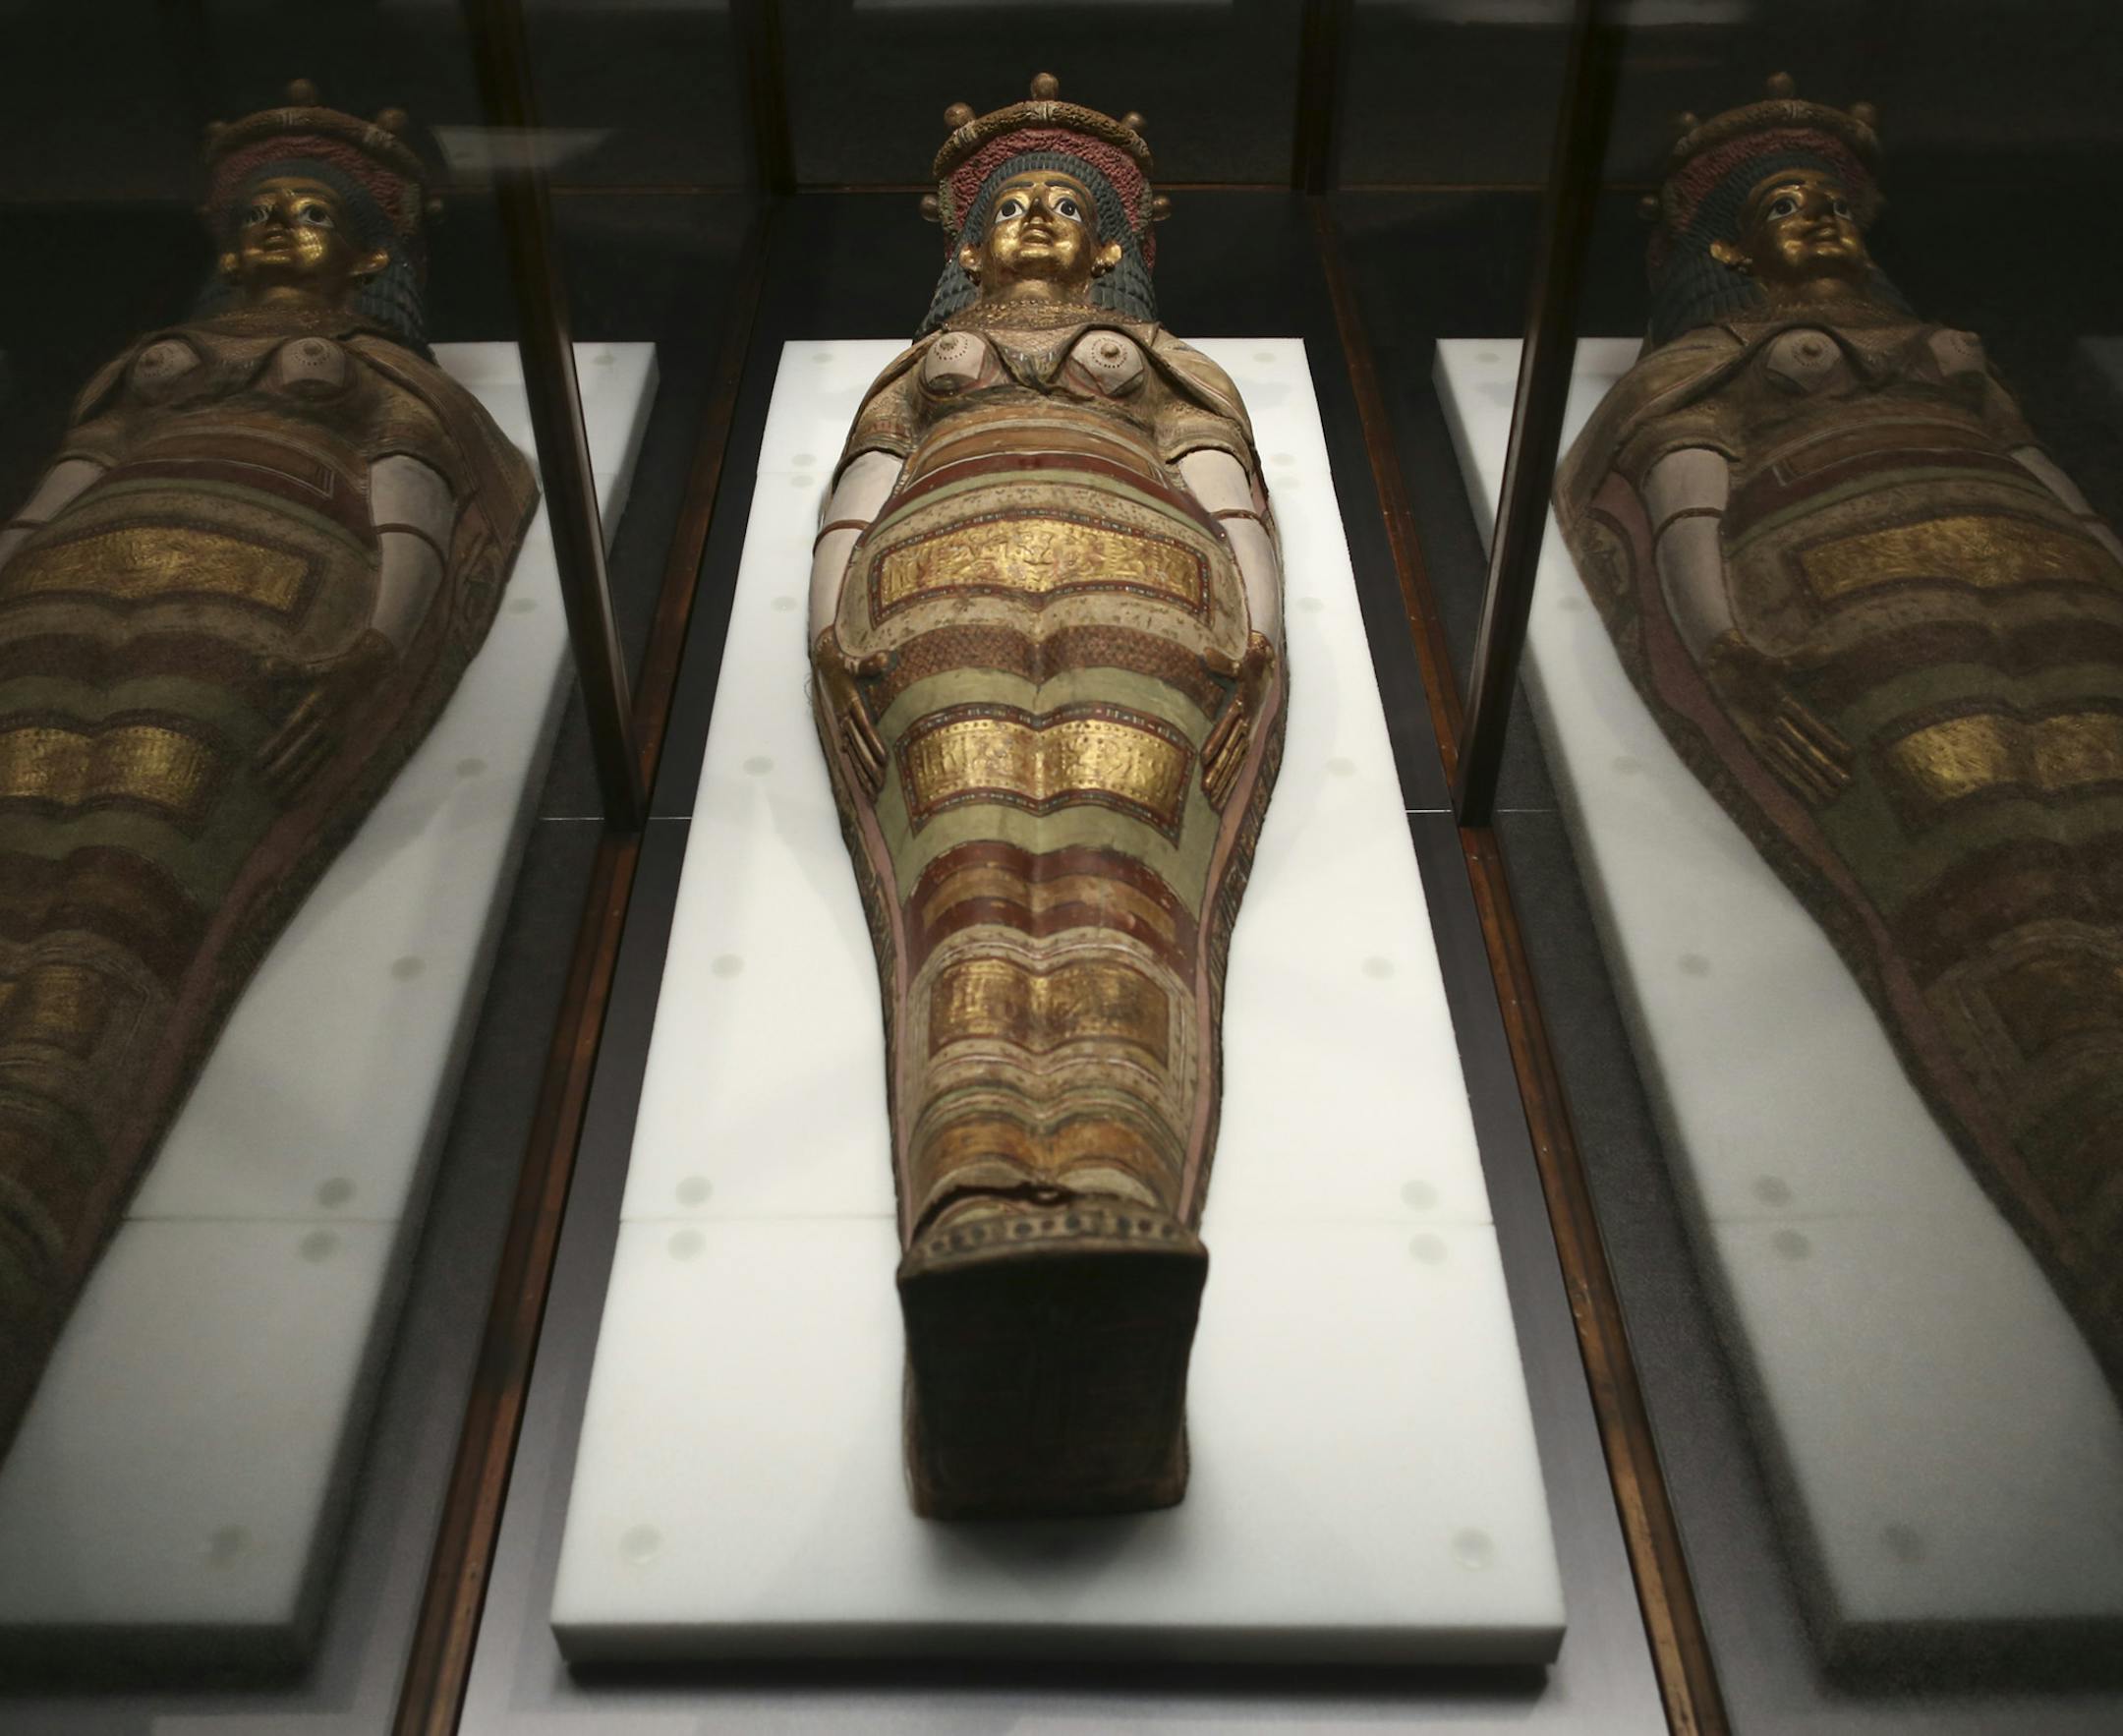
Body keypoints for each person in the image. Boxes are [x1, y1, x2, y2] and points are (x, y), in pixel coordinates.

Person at [1555, 75, 2123, 1390]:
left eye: (1826, 204)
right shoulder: (1715, 358)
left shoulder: (1941, 346)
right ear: (1725, 249)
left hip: (2043, 574)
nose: (1815, 224)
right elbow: (1681, 476)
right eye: (1782, 208)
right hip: (1854, 581)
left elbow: (2044, 475)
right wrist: (1726, 643)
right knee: (2001, 854)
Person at [0, 84, 536, 1452]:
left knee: (129, 859)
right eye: (262, 214)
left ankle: (30, 1165)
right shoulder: (155, 363)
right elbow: (64, 484)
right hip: (73, 582)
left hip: (258, 589)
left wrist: (376, 640)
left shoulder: (381, 374)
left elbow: (410, 490)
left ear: (371, 254)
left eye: (312, 214)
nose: (281, 231)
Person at [809, 75, 1285, 1517]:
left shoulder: (1166, 365)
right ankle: (969, 1186)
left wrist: (1253, 630)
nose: (1032, 221)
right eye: (1008, 202)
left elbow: (1228, 492)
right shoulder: (917, 371)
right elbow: (857, 495)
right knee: (966, 873)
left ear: (1107, 248)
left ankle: (1107, 1171)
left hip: (1141, 582)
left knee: (1107, 873)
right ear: (966, 240)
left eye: (1063, 206)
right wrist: (833, 620)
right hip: (935, 582)